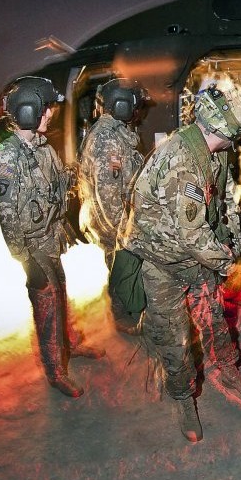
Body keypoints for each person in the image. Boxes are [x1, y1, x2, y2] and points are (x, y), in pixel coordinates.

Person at [119, 77, 241, 442]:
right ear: (226, 129)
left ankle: (229, 371)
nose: (238, 141)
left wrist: (231, 238)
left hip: (198, 256)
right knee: (175, 337)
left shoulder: (215, 150)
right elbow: (191, 234)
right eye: (238, 133)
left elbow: (225, 197)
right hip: (163, 262)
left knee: (214, 317)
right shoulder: (182, 161)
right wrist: (231, 265)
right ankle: (184, 398)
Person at [0, 76, 105, 398]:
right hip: (33, 248)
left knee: (60, 295)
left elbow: (56, 181)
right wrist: (26, 262)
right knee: (45, 306)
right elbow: (8, 219)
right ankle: (55, 371)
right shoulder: (8, 161)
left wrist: (79, 167)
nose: (51, 114)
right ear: (29, 112)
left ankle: (68, 345)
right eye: (46, 109)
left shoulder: (40, 147)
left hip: (50, 239)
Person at [77, 78, 146, 333]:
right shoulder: (108, 140)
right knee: (121, 267)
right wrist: (123, 234)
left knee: (122, 266)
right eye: (134, 104)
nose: (138, 110)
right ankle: (124, 319)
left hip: (115, 219)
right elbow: (108, 196)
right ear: (122, 105)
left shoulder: (116, 133)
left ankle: (126, 311)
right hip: (112, 224)